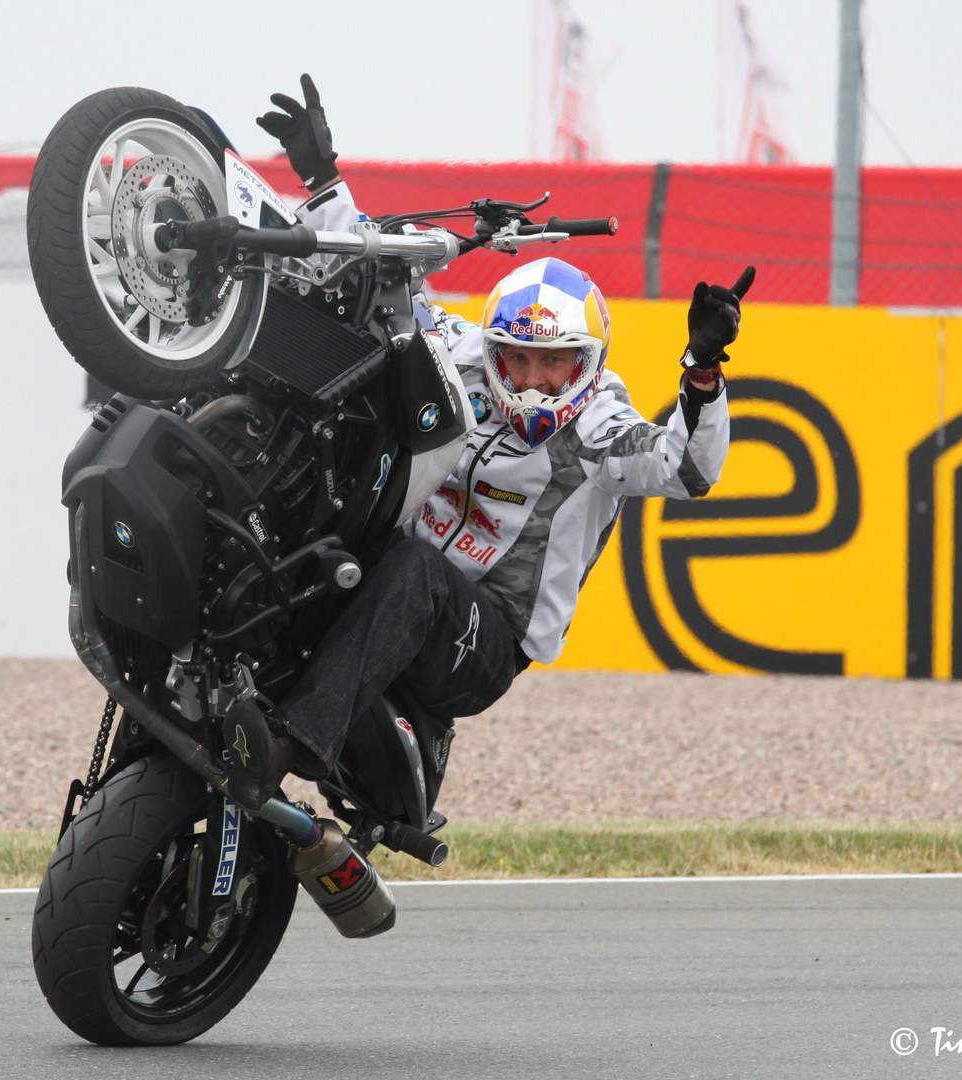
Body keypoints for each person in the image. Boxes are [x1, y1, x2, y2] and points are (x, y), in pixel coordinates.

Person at [224, 76, 753, 811]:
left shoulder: (598, 423)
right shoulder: (457, 351)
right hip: (391, 585)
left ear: (586, 362)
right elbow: (372, 288)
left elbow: (687, 468)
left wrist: (700, 372)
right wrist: (320, 176)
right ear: (492, 348)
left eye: (553, 363)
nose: (533, 382)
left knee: (412, 566)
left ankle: (288, 746)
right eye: (518, 359)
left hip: (487, 638)